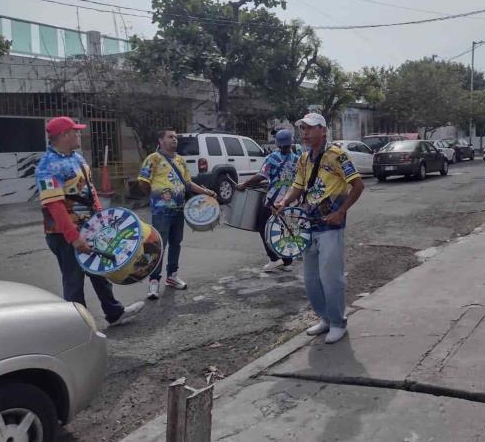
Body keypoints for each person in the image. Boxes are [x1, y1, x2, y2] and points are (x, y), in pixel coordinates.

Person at [36, 116, 144, 326]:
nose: (79, 135)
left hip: (88, 228)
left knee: (99, 273)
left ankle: (114, 313)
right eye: (75, 131)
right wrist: (74, 238)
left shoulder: (76, 158)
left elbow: (90, 191)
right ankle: (78, 326)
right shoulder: (48, 166)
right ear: (65, 135)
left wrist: (101, 219)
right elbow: (55, 207)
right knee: (74, 282)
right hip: (65, 234)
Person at [275, 113, 365, 344]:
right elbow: (297, 185)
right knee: (311, 279)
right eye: (303, 128)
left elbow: (358, 185)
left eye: (310, 128)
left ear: (323, 130)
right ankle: (325, 318)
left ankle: (337, 322)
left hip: (330, 226)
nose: (305, 132)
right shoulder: (304, 158)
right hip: (308, 225)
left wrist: (341, 211)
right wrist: (284, 201)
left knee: (331, 277)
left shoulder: (337, 155)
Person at [138, 128, 217, 300]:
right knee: (159, 246)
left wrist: (206, 192)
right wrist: (155, 195)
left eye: (175, 137)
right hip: (161, 212)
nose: (174, 140)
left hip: (179, 210)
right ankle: (153, 281)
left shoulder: (180, 160)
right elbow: (143, 182)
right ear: (161, 140)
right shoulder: (154, 158)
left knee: (176, 243)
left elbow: (188, 184)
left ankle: (172, 276)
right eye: (170, 137)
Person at [236, 129, 300, 272]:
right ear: (291, 142)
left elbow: (261, 176)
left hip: (273, 201)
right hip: (290, 201)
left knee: (263, 228)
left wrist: (244, 184)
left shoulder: (272, 158)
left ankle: (274, 259)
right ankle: (287, 260)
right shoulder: (297, 159)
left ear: (277, 143)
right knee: (285, 230)